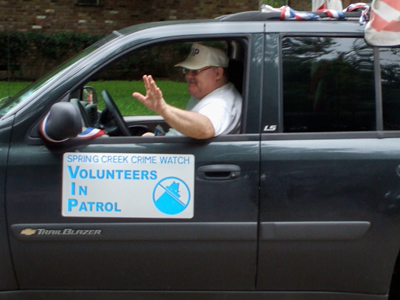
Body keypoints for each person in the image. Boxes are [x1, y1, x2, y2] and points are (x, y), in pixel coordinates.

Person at [132, 43, 242, 139]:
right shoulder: (207, 94)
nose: (188, 75)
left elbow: (206, 128)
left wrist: (163, 109)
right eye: (187, 70)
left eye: (195, 71)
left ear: (218, 73)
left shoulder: (222, 104)